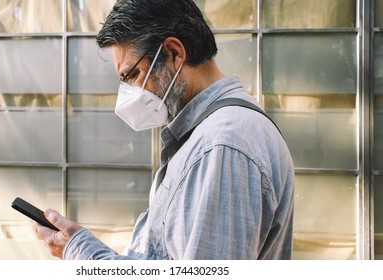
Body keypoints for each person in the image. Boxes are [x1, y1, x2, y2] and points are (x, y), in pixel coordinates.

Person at [34, 0, 295, 260]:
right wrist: (79, 247)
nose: (130, 93)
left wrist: (84, 254)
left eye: (132, 75)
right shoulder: (207, 136)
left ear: (174, 53)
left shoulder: (221, 144)